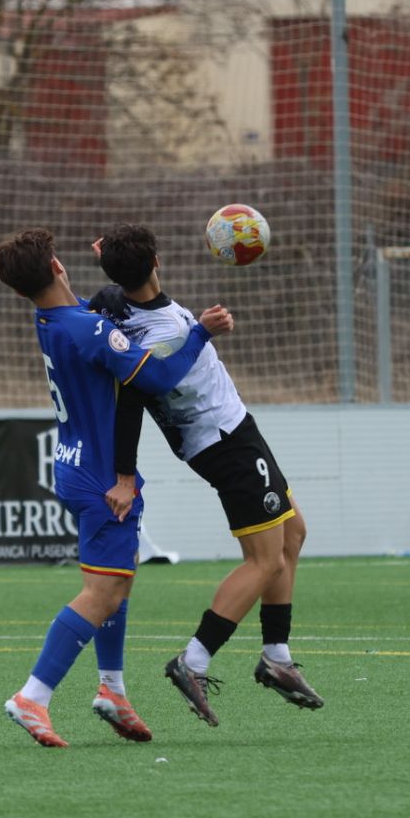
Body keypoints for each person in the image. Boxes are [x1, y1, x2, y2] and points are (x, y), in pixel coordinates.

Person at [0, 228, 233, 747]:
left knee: (117, 585)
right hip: (103, 478)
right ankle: (33, 695)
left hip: (75, 465)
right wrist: (202, 332)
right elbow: (158, 378)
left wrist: (117, 273)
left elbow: (95, 312)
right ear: (57, 267)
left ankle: (113, 690)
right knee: (101, 593)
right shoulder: (87, 329)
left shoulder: (58, 318)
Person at [92, 223, 323, 725]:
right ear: (157, 260)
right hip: (224, 442)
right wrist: (205, 329)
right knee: (265, 561)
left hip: (235, 429)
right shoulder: (170, 332)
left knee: (292, 535)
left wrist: (109, 261)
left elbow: (111, 290)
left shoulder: (113, 305)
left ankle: (277, 658)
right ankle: (193, 661)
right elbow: (143, 390)